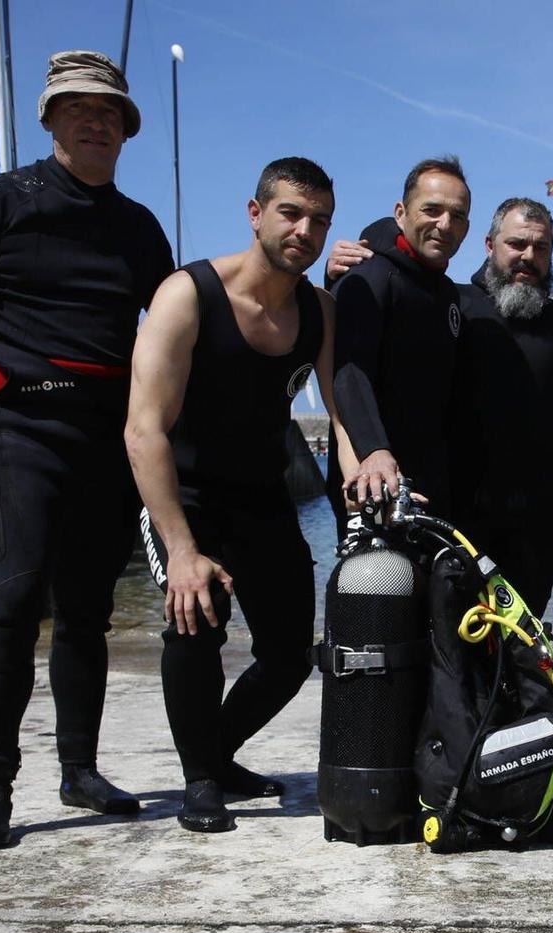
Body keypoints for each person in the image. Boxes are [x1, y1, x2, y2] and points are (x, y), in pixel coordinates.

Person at [0, 50, 172, 851]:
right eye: (79, 109)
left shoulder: (138, 229)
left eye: (109, 113)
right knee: (10, 606)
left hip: (107, 441)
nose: (95, 120)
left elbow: (173, 332)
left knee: (88, 616)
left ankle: (79, 769)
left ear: (126, 131)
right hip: (18, 428)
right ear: (51, 118)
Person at [124, 157, 355, 833]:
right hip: (185, 491)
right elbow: (144, 431)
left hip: (263, 493)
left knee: (289, 651)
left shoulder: (319, 310)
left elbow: (341, 416)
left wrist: (362, 481)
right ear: (255, 213)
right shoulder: (187, 294)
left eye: (319, 220)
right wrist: (181, 548)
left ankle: (215, 751)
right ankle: (200, 779)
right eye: (291, 213)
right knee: (194, 618)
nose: (304, 230)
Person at [453, 198, 553, 614]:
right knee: (456, 645)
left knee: (524, 639)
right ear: (489, 244)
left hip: (535, 518)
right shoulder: (454, 305)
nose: (528, 257)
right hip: (460, 513)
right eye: (517, 244)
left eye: (541, 248)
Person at [324, 157, 471, 517]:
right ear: (401, 213)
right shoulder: (369, 273)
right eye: (431, 210)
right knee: (381, 577)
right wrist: (373, 449)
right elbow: (348, 370)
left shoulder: (447, 293)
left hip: (434, 481)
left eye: (457, 215)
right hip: (376, 478)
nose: (445, 225)